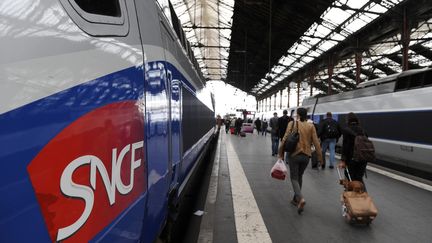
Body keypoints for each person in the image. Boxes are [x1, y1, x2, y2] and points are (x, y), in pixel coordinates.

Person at [278, 107, 323, 214]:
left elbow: (285, 138)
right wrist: (320, 158)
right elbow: (316, 142)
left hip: (294, 154)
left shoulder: (292, 124)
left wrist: (280, 153)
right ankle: (295, 199)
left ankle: (301, 198)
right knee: (300, 176)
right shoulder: (311, 126)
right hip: (306, 156)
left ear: (297, 114)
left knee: (294, 177)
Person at [338, 112, 368, 191]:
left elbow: (346, 146)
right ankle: (364, 197)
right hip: (363, 159)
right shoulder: (363, 130)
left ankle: (351, 199)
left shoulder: (346, 130)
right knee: (359, 179)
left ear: (348, 120)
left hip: (352, 159)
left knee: (350, 180)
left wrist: (343, 160)